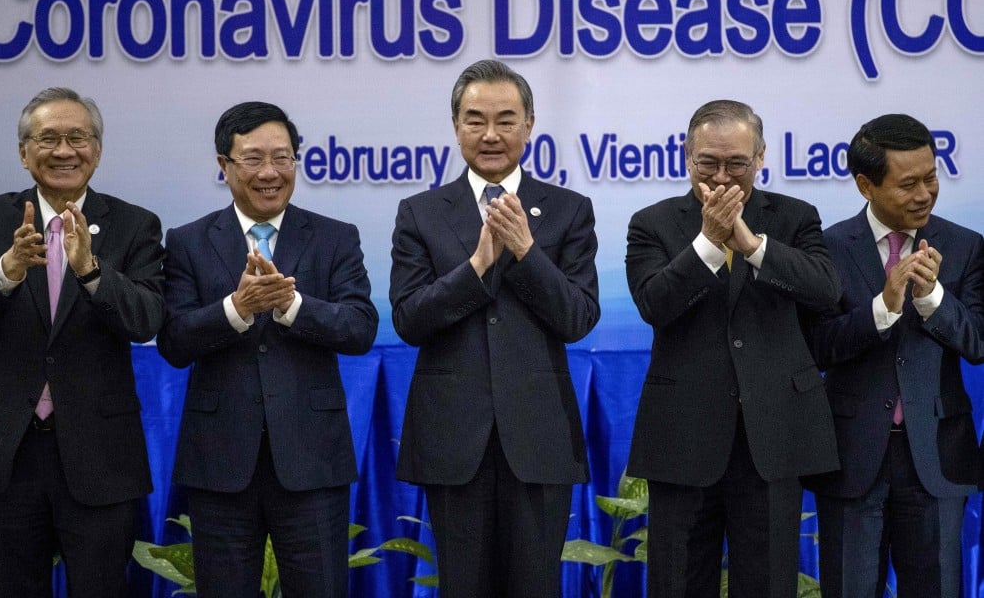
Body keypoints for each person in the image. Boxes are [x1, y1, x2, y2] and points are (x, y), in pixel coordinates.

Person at [389, 59, 600, 598]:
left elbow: (578, 317)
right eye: (475, 119)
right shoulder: (420, 213)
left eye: (506, 120)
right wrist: (478, 266)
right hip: (454, 439)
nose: (490, 134)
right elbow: (409, 318)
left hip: (538, 437)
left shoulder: (569, 210)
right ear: (455, 125)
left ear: (529, 125)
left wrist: (527, 252)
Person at [156, 101, 377, 597]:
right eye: (253, 158)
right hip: (220, 462)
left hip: (311, 459)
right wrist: (235, 309)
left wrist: (291, 305)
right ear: (224, 165)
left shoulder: (335, 237)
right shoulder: (189, 241)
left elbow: (360, 327)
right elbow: (173, 341)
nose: (270, 172)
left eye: (282, 157)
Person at [624, 99, 841, 598]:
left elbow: (826, 290)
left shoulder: (795, 217)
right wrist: (707, 242)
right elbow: (654, 304)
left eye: (736, 164)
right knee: (676, 583)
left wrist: (753, 245)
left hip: (773, 435)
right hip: (683, 436)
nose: (722, 178)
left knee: (768, 584)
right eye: (708, 163)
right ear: (687, 156)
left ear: (760, 157)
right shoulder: (652, 223)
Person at [0, 87, 165, 597]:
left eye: (77, 137)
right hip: (7, 450)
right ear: (23, 152)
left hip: (101, 453)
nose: (63, 151)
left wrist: (91, 271)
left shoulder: (135, 224)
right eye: (48, 138)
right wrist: (7, 269)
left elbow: (146, 320)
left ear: (97, 150)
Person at [803, 113, 984, 598]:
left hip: (937, 457)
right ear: (866, 185)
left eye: (931, 178)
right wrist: (882, 308)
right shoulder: (827, 249)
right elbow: (816, 347)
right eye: (908, 184)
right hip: (853, 457)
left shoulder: (966, 246)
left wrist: (932, 299)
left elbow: (978, 343)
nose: (924, 194)